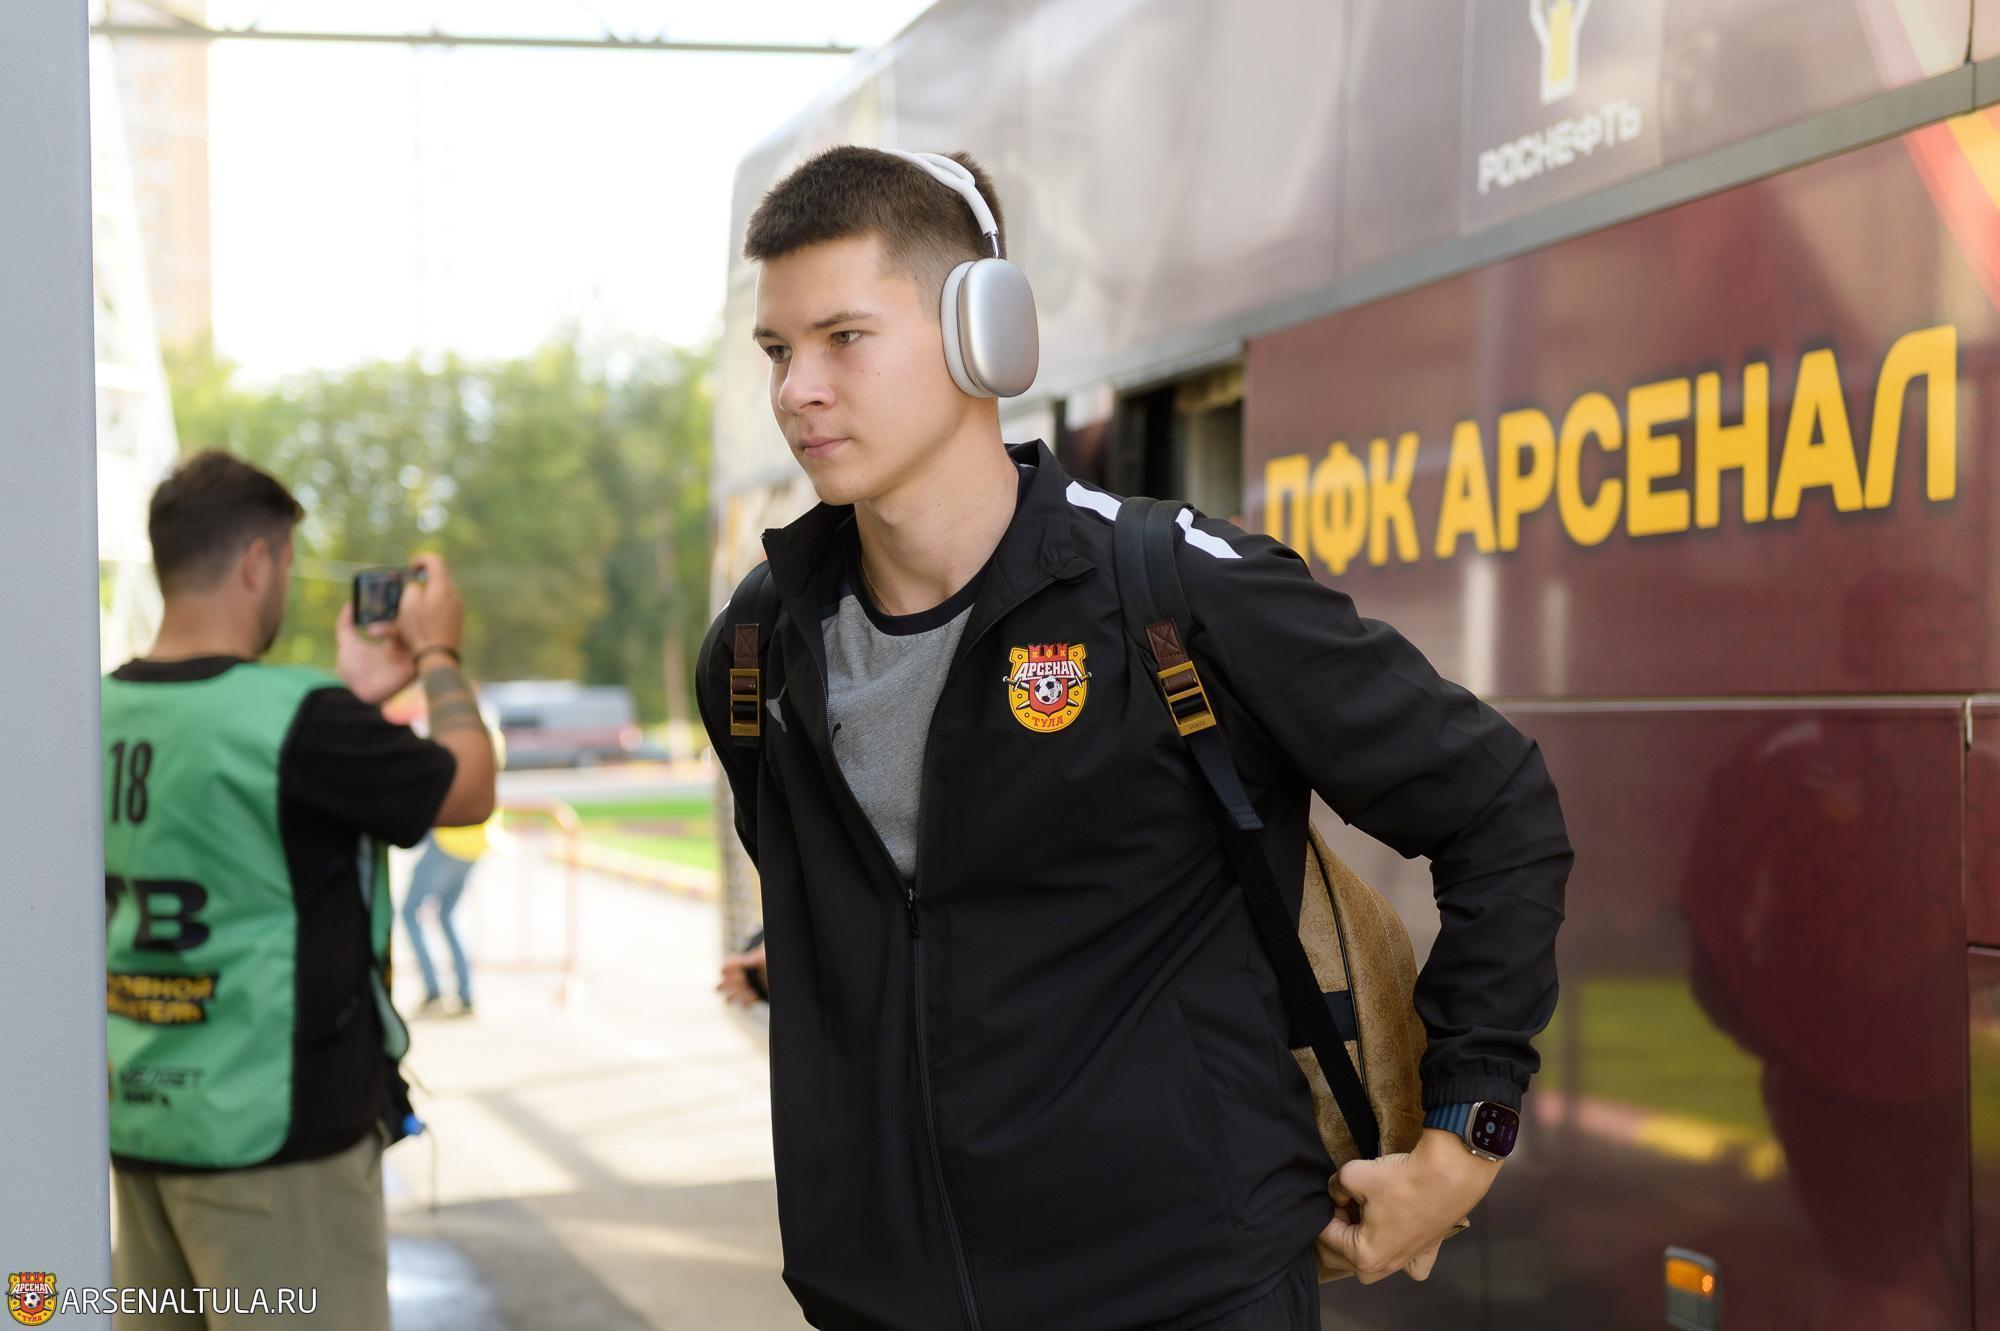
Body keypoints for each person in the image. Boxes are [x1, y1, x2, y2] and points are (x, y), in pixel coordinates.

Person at [698, 147, 1572, 1331]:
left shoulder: (1178, 591)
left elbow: (1496, 805)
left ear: (983, 333)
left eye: (843, 337)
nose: (797, 389)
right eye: (775, 350)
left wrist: (1464, 1135)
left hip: (1184, 1296)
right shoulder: (759, 649)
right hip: (877, 1302)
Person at [102, 450, 497, 1330]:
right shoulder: (298, 718)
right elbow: (469, 786)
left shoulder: (96, 710)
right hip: (277, 1143)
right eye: (283, 561)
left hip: (139, 1126)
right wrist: (439, 650)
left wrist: (355, 695)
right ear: (258, 561)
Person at [402, 720, 504, 1018]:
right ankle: (465, 993)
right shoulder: (487, 734)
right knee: (446, 915)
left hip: (450, 838)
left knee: (410, 913)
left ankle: (434, 990)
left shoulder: (456, 733)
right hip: (476, 840)